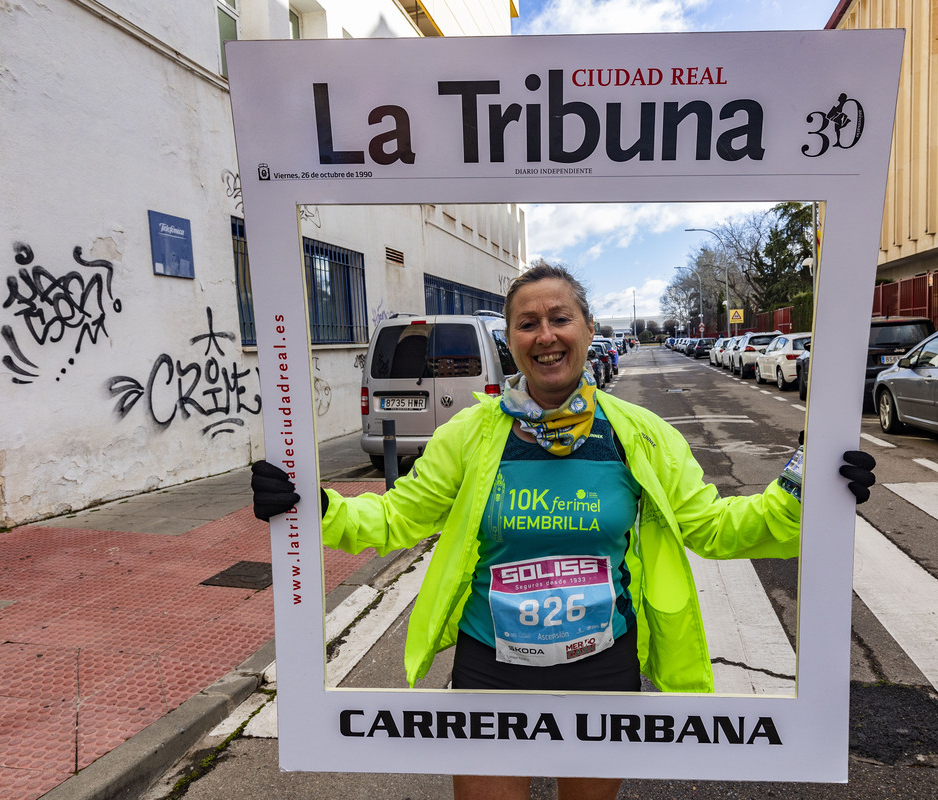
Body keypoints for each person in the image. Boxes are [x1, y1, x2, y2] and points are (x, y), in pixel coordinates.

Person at [252, 263, 875, 800]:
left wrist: (803, 490)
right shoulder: (471, 435)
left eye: (560, 318)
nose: (545, 335)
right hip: (492, 667)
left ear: (588, 330)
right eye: (527, 323)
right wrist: (314, 506)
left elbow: (712, 526)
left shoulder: (639, 433)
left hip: (601, 666)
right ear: (511, 342)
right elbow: (396, 517)